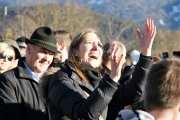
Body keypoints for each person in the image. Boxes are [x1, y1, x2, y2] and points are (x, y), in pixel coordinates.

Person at [41, 18, 156, 120]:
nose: (96, 48)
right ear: (75, 51)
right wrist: (111, 80)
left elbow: (133, 93)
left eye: (100, 45)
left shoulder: (98, 81)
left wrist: (146, 54)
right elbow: (84, 114)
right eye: (89, 43)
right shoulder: (60, 79)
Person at [0, 26, 60, 120]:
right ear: (28, 49)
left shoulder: (56, 81)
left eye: (51, 54)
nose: (47, 59)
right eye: (43, 52)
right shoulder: (7, 81)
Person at [102, 18, 156, 119]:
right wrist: (146, 53)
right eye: (124, 56)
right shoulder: (104, 81)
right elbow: (133, 93)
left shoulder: (96, 76)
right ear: (118, 57)